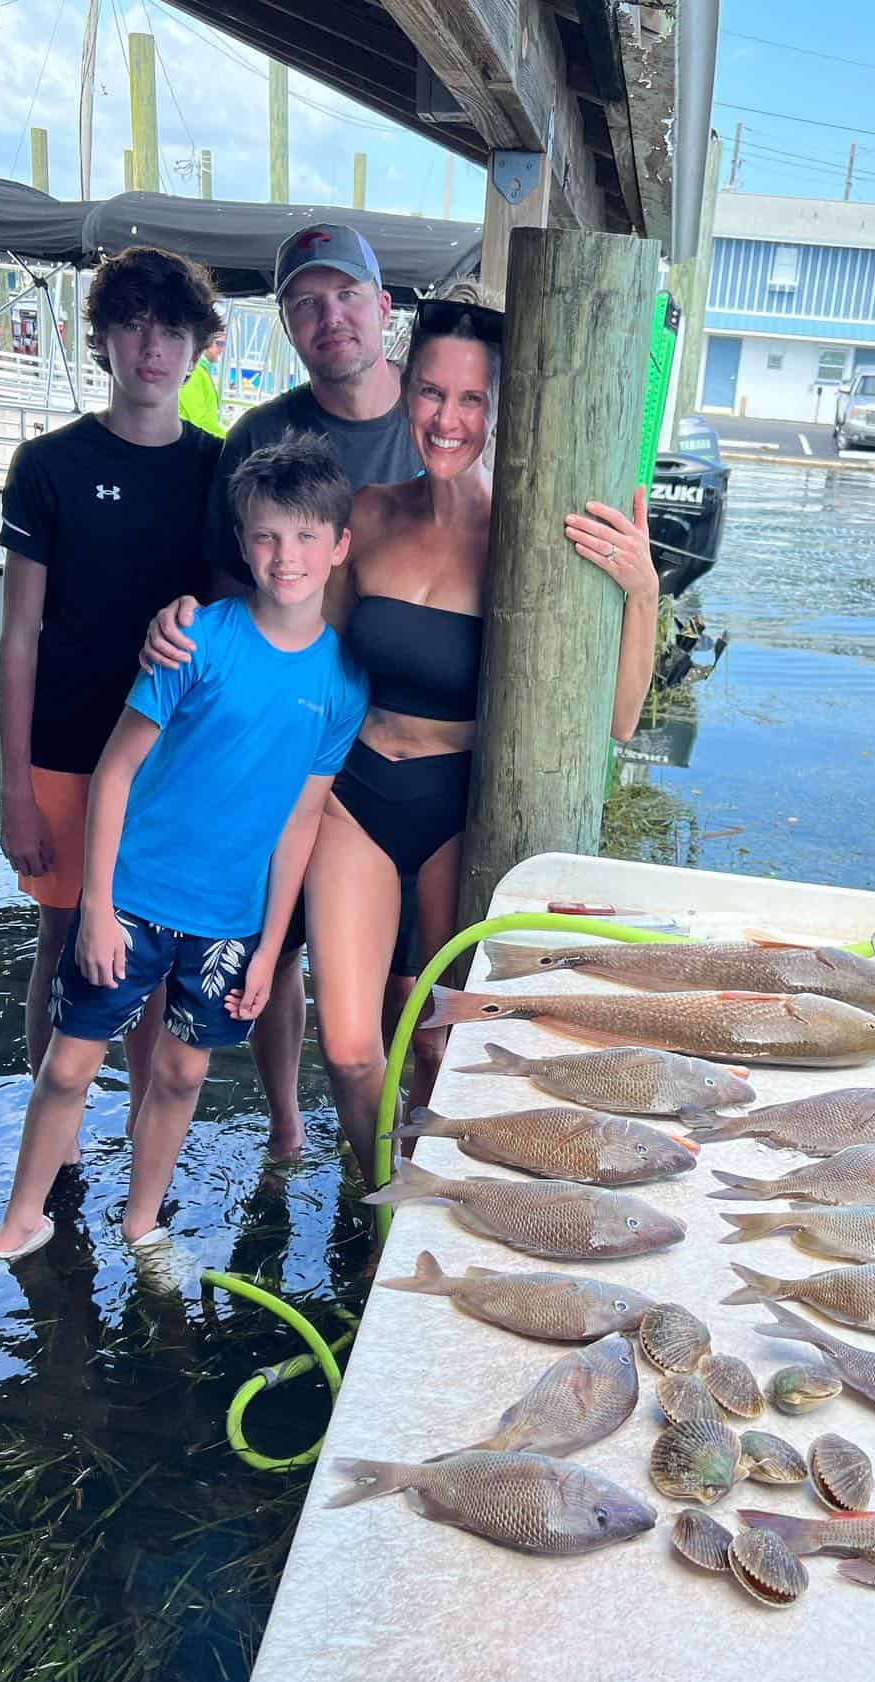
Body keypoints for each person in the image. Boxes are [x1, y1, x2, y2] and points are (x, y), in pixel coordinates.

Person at [0, 432, 368, 1264]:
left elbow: (302, 821)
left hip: (229, 920)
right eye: (265, 535)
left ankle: (141, 1219)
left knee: (184, 1076)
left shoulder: (341, 685)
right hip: (137, 898)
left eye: (304, 537)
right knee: (71, 1067)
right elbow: (115, 773)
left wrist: (268, 950)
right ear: (241, 542)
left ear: (339, 546)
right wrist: (98, 906)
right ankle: (23, 1218)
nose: (284, 555)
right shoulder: (197, 641)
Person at [304, 292, 658, 1187]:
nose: (447, 419)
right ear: (405, 391)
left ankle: (431, 1203)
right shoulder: (367, 513)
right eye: (431, 393)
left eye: (469, 400)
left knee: (437, 1046)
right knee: (348, 1050)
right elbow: (313, 662)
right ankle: (386, 1196)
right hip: (357, 793)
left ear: (497, 410)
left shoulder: (526, 541)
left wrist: (643, 594)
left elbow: (615, 722)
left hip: (459, 804)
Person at [149, 222, 431, 1160]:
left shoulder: (436, 424)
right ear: (285, 324)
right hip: (293, 730)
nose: (330, 317)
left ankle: (413, 1145)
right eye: (306, 303)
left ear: (383, 309)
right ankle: (284, 1121)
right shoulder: (261, 436)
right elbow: (228, 596)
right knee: (279, 936)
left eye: (347, 295)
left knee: (407, 978)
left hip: (406, 735)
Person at [0, 247, 223, 1163]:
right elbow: (18, 634)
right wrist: (13, 789)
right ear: (102, 340)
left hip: (170, 763)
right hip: (61, 747)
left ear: (200, 347)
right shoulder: (47, 465)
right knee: (61, 935)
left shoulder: (218, 470)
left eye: (172, 330)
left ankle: (138, 1127)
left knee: (154, 951)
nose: (152, 348)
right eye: (132, 324)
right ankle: (55, 1126)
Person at [179, 325, 226, 437]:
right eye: (219, 344)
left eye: (224, 345)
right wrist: (227, 439)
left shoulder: (200, 371)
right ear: (205, 344)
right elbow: (198, 420)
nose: (222, 349)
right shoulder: (194, 373)